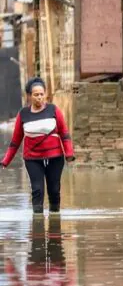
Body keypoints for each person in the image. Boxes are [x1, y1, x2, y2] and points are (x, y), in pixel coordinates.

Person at [1, 77, 75, 214]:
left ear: (45, 94)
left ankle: (54, 221)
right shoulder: (23, 114)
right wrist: (5, 161)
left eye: (42, 94)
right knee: (37, 190)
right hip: (32, 158)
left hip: (55, 157)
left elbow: (64, 134)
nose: (39, 98)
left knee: (54, 189)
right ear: (29, 96)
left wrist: (69, 153)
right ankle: (38, 225)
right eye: (36, 95)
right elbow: (15, 142)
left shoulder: (54, 110)